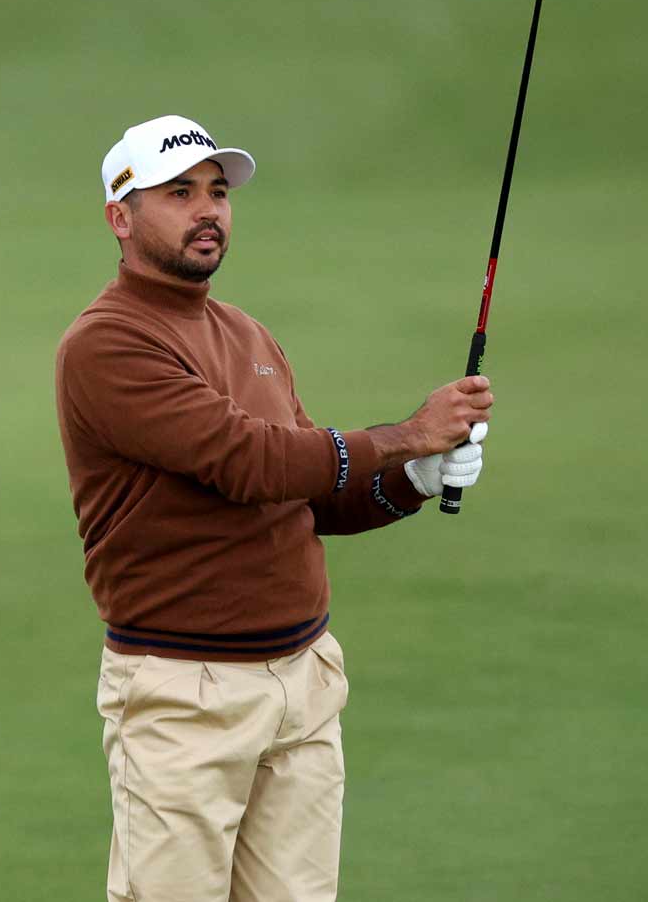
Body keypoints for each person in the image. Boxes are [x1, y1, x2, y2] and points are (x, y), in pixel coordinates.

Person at [53, 115, 494, 902]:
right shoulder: (106, 343)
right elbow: (247, 462)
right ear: (120, 218)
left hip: (303, 685)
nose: (208, 209)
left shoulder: (246, 332)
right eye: (178, 192)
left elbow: (308, 489)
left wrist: (417, 476)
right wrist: (407, 432)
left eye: (218, 192)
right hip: (185, 695)